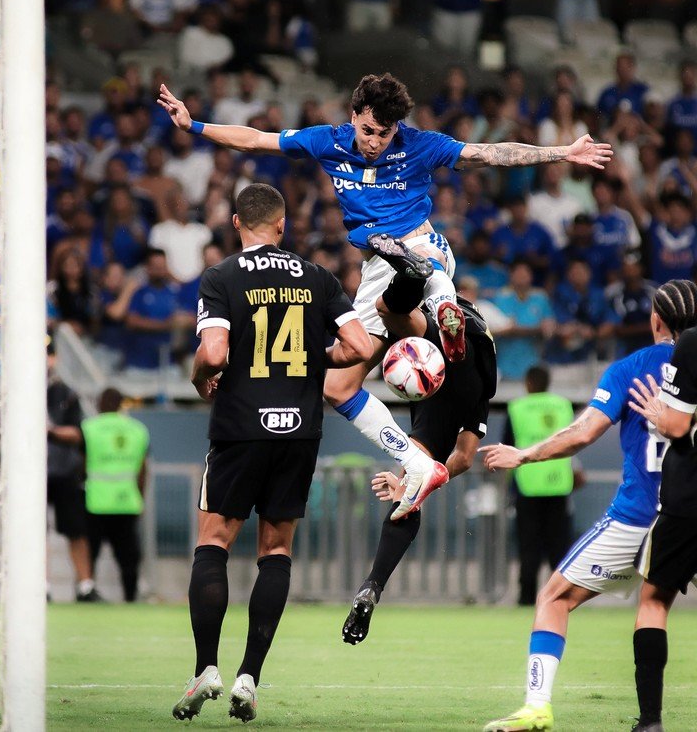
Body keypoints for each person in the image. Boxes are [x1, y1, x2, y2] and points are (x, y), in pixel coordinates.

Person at [157, 73, 611, 518]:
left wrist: (562, 152)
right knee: (339, 385)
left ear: (398, 127)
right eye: (369, 130)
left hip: (418, 245)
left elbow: (489, 153)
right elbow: (256, 139)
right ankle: (428, 385)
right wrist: (193, 125)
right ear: (354, 115)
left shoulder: (419, 144)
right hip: (382, 266)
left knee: (405, 293)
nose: (375, 141)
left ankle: (437, 312)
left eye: (385, 133)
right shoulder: (328, 140)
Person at [171, 183, 373, 722]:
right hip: (299, 431)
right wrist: (312, 358)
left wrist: (199, 378)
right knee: (276, 550)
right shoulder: (318, 276)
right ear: (283, 226)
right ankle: (249, 678)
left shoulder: (221, 277)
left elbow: (213, 352)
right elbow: (361, 347)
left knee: (213, 540)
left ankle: (206, 668)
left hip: (239, 427)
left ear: (238, 224)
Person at [479, 279, 697, 732]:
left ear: (655, 319)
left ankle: (538, 707)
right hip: (689, 514)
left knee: (553, 596)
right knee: (656, 603)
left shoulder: (630, 369)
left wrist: (523, 455)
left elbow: (582, 434)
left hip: (638, 516)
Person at [341, 233, 496, 644]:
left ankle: (376, 581)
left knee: (387, 312)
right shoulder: (472, 320)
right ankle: (372, 585)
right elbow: (464, 457)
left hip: (431, 351)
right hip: (476, 375)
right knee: (412, 485)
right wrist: (428, 479)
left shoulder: (438, 274)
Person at [626, 311, 697, 732]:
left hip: (689, 499)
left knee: (654, 600)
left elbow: (676, 423)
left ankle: (650, 721)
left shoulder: (690, 343)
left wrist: (657, 411)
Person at [503, 366, 577, 606]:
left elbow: (507, 447)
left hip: (528, 485)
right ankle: (561, 598)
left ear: (528, 383)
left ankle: (526, 599)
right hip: (559, 484)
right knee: (560, 547)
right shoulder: (563, 405)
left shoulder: (517, 408)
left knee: (529, 547)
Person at [82, 388, 149, 603]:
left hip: (96, 501)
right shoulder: (138, 430)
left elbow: (81, 464)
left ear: (100, 404)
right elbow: (142, 470)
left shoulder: (89, 428)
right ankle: (130, 599)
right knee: (128, 558)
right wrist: (140, 498)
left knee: (90, 554)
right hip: (127, 502)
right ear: (121, 405)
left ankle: (85, 591)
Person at [46, 338, 100, 602]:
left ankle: (85, 585)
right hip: (32, 472)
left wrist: (50, 431)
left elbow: (79, 432)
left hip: (65, 470)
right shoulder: (17, 392)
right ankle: (40, 585)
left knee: (77, 530)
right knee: (33, 530)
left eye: (49, 355)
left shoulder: (64, 392)